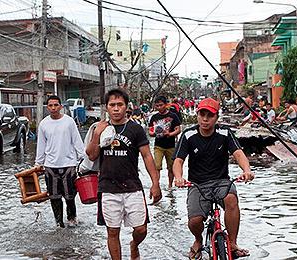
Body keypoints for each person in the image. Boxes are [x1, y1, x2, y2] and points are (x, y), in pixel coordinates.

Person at [172, 97, 255, 259]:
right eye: (201, 114)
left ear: (216, 117)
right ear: (197, 115)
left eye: (209, 115)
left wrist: (247, 170)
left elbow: (238, 154)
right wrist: (178, 177)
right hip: (197, 184)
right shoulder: (188, 135)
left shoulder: (225, 133)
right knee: (195, 221)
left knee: (231, 199)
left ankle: (232, 242)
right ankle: (197, 240)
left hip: (222, 182)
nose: (205, 119)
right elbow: (178, 160)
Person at [86, 88, 162, 260]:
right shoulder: (99, 129)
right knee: (112, 231)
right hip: (107, 187)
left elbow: (147, 156)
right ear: (106, 108)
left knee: (141, 228)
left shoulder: (135, 129)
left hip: (132, 186)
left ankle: (134, 245)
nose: (116, 108)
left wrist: (155, 183)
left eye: (120, 104)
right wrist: (97, 133)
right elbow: (91, 155)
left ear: (126, 107)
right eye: (112, 105)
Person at [35, 95, 86, 228]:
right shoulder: (43, 124)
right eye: (50, 106)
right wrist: (38, 163)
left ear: (61, 106)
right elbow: (41, 144)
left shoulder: (69, 122)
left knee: (70, 196)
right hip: (50, 165)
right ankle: (59, 223)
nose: (53, 108)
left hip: (69, 164)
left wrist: (83, 159)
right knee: (54, 197)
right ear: (47, 107)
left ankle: (72, 219)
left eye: (56, 105)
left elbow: (76, 140)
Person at [148, 96, 182, 189]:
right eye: (157, 105)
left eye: (161, 105)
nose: (159, 107)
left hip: (171, 145)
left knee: (171, 167)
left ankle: (170, 186)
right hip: (158, 145)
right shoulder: (154, 117)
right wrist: (154, 133)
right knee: (157, 166)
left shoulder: (173, 116)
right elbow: (150, 131)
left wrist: (170, 134)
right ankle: (156, 185)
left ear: (166, 105)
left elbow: (178, 129)